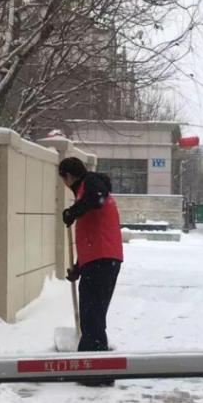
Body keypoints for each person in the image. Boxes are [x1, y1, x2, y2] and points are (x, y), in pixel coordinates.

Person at [59, 157, 124, 384]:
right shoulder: (87, 192)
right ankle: (93, 369)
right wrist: (79, 267)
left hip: (102, 260)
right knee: (92, 316)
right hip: (100, 260)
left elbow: (96, 198)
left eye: (64, 179)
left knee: (92, 316)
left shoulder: (92, 183)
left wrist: (73, 211)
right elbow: (92, 235)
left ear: (68, 177)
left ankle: (96, 372)